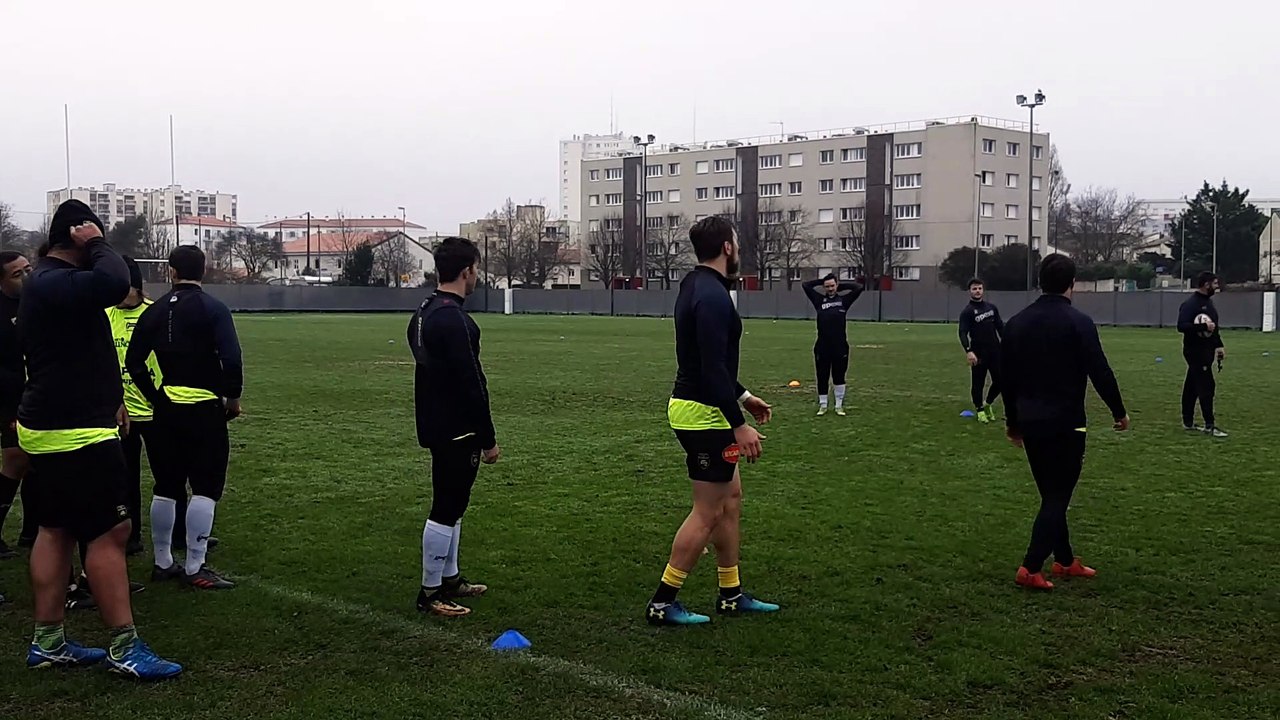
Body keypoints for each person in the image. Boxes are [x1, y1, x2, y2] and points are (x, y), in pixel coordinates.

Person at [18, 199, 180, 678]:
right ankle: (124, 646)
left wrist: (111, 397)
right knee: (109, 533)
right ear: (76, 234)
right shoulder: (53, 280)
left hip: (55, 424)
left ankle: (48, 641)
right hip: (75, 431)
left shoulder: (49, 283)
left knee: (57, 528)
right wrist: (98, 244)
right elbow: (115, 282)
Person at [647, 215, 778, 626]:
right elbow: (708, 370)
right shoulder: (714, 296)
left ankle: (730, 593)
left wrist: (742, 395)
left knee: (730, 501)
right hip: (703, 413)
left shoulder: (697, 285)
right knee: (707, 511)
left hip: (705, 405)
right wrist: (738, 421)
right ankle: (662, 601)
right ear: (727, 247)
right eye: (736, 242)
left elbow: (713, 363)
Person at [1001, 254, 1129, 591]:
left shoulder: (1016, 322)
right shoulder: (1078, 322)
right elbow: (1099, 370)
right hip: (1067, 423)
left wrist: (1012, 422)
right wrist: (1119, 411)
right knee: (1058, 496)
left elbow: (1006, 378)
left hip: (1030, 421)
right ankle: (1030, 567)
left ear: (1040, 281)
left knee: (1051, 494)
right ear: (1072, 284)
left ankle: (1065, 559)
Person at [127, 245, 242, 591]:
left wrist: (155, 397)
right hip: (204, 409)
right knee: (205, 487)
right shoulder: (214, 309)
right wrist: (232, 398)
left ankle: (163, 562)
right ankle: (195, 565)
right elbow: (232, 360)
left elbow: (134, 362)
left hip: (166, 409)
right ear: (203, 271)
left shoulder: (155, 310)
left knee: (166, 487)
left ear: (170, 272)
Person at [407, 237, 498, 617]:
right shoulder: (454, 319)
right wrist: (488, 437)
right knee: (446, 505)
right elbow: (471, 382)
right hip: (456, 427)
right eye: (476, 269)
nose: (477, 276)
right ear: (467, 272)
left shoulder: (425, 310)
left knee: (453, 503)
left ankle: (450, 577)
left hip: (433, 419)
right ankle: (430, 593)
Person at [108, 257, 162, 557]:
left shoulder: (156, 314)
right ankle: (132, 535)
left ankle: (179, 530)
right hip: (121, 414)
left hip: (156, 409)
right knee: (125, 479)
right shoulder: (104, 316)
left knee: (168, 475)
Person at [0, 250, 33, 558]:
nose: (26, 276)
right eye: (17, 274)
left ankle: (32, 531)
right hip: (12, 398)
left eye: (28, 269)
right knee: (16, 459)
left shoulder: (38, 300)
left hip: (40, 393)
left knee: (38, 461)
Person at [801, 273, 863, 416]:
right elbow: (806, 285)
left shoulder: (844, 300)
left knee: (839, 375)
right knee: (822, 375)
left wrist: (841, 286)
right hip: (822, 345)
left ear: (837, 285)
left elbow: (858, 287)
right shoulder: (818, 300)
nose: (830, 289)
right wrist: (822, 280)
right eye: (827, 286)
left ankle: (838, 406)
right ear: (824, 287)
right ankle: (823, 405)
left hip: (840, 345)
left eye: (832, 286)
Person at [1178, 271, 1227, 438]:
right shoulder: (1190, 304)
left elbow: (1214, 328)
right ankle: (1210, 425)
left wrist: (1219, 346)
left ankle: (1188, 422)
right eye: (1214, 283)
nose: (1217, 286)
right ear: (1206, 284)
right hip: (1195, 351)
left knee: (1192, 386)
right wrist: (1203, 328)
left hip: (1207, 350)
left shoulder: (1209, 303)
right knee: (1207, 386)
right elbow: (1182, 326)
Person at [958, 278, 1005, 423]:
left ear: (983, 290)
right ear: (970, 291)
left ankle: (987, 404)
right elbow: (962, 332)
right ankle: (979, 410)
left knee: (1001, 380)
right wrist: (968, 351)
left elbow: (1000, 327)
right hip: (978, 352)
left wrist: (1007, 343)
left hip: (995, 350)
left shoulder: (991, 308)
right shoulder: (967, 312)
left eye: (979, 288)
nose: (977, 291)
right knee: (978, 383)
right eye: (974, 289)